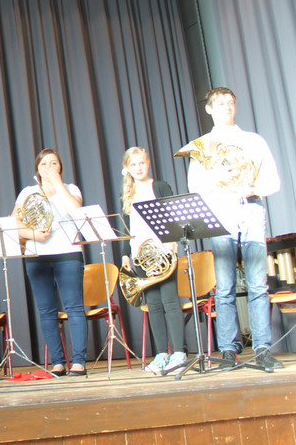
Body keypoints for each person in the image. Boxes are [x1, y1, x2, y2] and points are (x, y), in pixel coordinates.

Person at [184, 87, 282, 370]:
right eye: (220, 103)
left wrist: (255, 186)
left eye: (230, 103)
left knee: (258, 284)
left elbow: (273, 182)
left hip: (250, 209)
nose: (227, 107)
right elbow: (194, 188)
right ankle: (228, 350)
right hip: (222, 213)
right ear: (209, 109)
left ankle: (263, 348)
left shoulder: (253, 141)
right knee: (224, 287)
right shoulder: (201, 145)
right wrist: (218, 176)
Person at [13, 148, 87, 377]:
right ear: (37, 169)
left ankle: (79, 361)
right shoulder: (28, 193)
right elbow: (13, 223)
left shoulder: (71, 189)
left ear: (60, 167)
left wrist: (57, 184)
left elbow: (77, 211)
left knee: (74, 307)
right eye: (44, 164)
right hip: (37, 255)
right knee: (46, 311)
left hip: (68, 252)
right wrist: (33, 235)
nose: (49, 167)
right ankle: (58, 362)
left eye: (54, 163)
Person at [119, 147, 186, 375]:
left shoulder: (160, 186)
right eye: (133, 164)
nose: (138, 168)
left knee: (170, 302)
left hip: (162, 252)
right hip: (141, 256)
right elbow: (127, 228)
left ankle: (179, 353)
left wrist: (173, 240)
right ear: (127, 168)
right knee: (154, 306)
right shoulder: (128, 193)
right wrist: (125, 254)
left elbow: (174, 216)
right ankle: (161, 355)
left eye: (141, 163)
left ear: (148, 163)